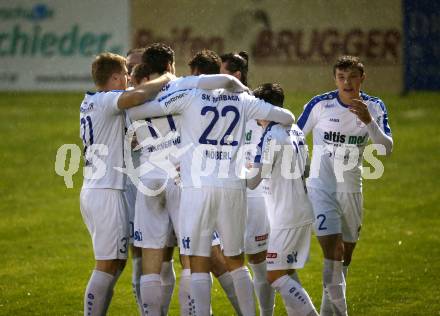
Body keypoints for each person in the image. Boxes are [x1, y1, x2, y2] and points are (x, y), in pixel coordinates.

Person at [128, 49, 295, 316]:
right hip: (232, 187)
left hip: (197, 187)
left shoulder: (188, 95)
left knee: (197, 261)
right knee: (236, 261)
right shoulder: (243, 99)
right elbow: (287, 118)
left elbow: (141, 112)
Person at [296, 55, 393, 315]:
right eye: (341, 77)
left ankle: (330, 310)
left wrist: (369, 123)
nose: (346, 82)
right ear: (335, 79)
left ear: (362, 78)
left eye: (351, 77)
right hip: (320, 187)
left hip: (350, 187)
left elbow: (385, 151)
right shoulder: (320, 105)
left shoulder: (374, 107)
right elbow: (294, 137)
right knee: (334, 251)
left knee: (345, 256)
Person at [79, 52, 173, 316]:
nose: (129, 80)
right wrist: (166, 77)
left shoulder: (89, 102)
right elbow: (138, 97)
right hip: (106, 190)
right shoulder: (108, 99)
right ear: (116, 77)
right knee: (107, 265)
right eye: (126, 76)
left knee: (115, 264)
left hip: (97, 188)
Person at [247, 83, 318, 316]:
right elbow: (305, 168)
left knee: (274, 275)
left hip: (287, 214)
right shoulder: (294, 129)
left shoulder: (272, 136)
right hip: (297, 208)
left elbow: (253, 181)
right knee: (284, 272)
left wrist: (232, 172)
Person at [221, 51, 274, 316]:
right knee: (225, 258)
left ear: (236, 76)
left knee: (258, 262)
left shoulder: (255, 106)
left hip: (254, 195)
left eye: (221, 72)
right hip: (225, 192)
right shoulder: (217, 105)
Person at [125, 47, 146, 315]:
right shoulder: (118, 102)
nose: (130, 72)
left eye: (135, 66)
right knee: (139, 255)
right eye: (127, 67)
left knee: (183, 256)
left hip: (167, 183)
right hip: (131, 186)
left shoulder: (168, 97)